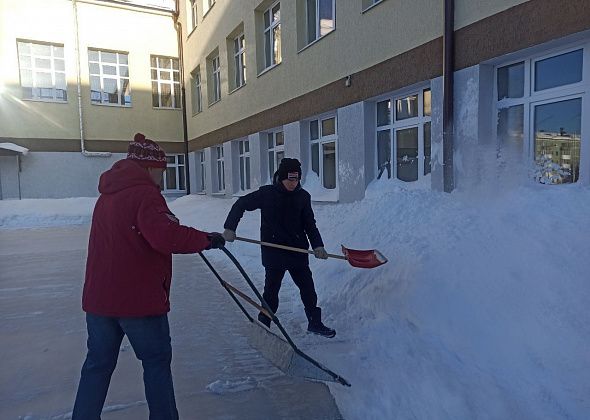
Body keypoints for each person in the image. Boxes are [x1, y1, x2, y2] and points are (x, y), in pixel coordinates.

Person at [72, 133, 225, 420]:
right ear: (149, 167)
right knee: (156, 363)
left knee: (97, 365)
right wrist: (205, 239)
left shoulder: (107, 195)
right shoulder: (145, 194)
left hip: (99, 302)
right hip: (138, 303)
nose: (163, 176)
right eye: (161, 170)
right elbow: (166, 236)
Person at [222, 157, 335, 338]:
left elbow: (310, 225)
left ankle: (315, 322)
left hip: (297, 251)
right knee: (271, 292)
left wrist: (318, 245)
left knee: (308, 288)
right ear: (281, 177)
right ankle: (264, 324)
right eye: (289, 179)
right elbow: (241, 204)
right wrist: (230, 227)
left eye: (296, 179)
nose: (293, 183)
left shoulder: (303, 197)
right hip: (273, 251)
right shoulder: (267, 194)